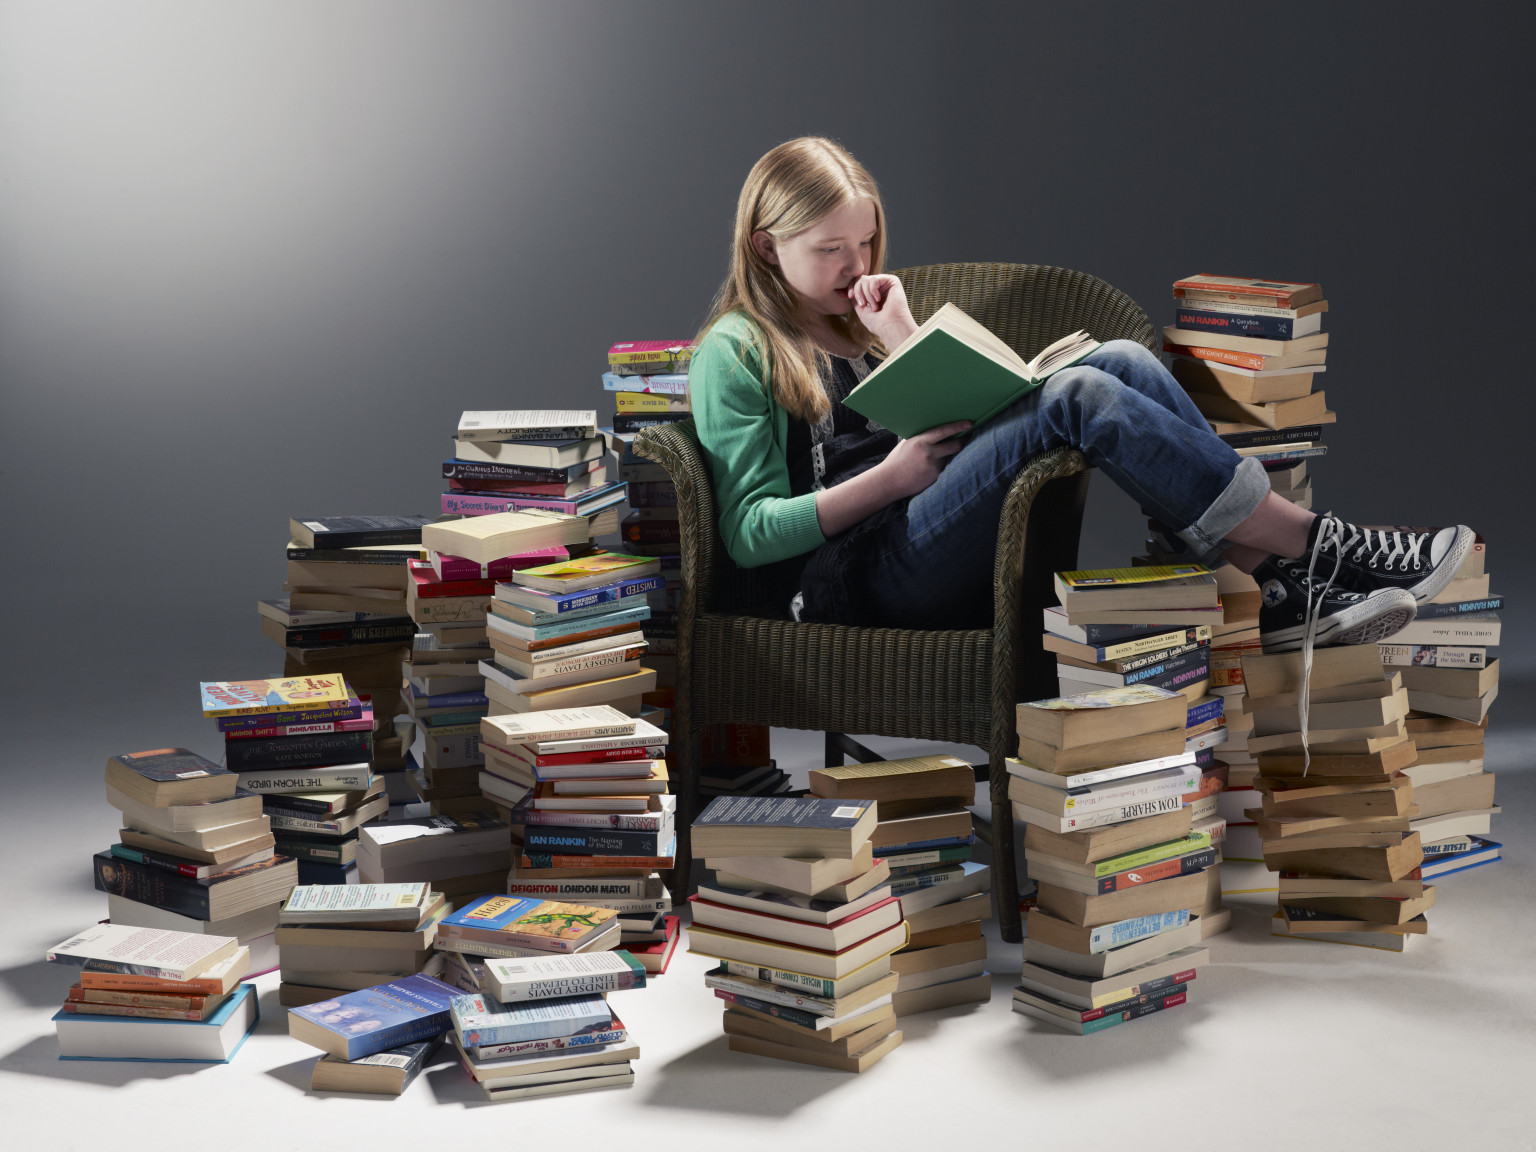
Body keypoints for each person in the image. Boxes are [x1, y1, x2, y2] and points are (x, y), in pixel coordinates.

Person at [689, 137, 1473, 657]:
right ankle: (1320, 546)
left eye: (864, 242)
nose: (855, 264)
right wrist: (890, 479)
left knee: (1120, 359)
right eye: (829, 250)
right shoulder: (736, 349)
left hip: (924, 534)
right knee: (1082, 398)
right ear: (766, 245)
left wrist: (901, 338)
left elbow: (945, 422)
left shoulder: (855, 321)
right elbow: (750, 535)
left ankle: (1268, 585)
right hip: (853, 588)